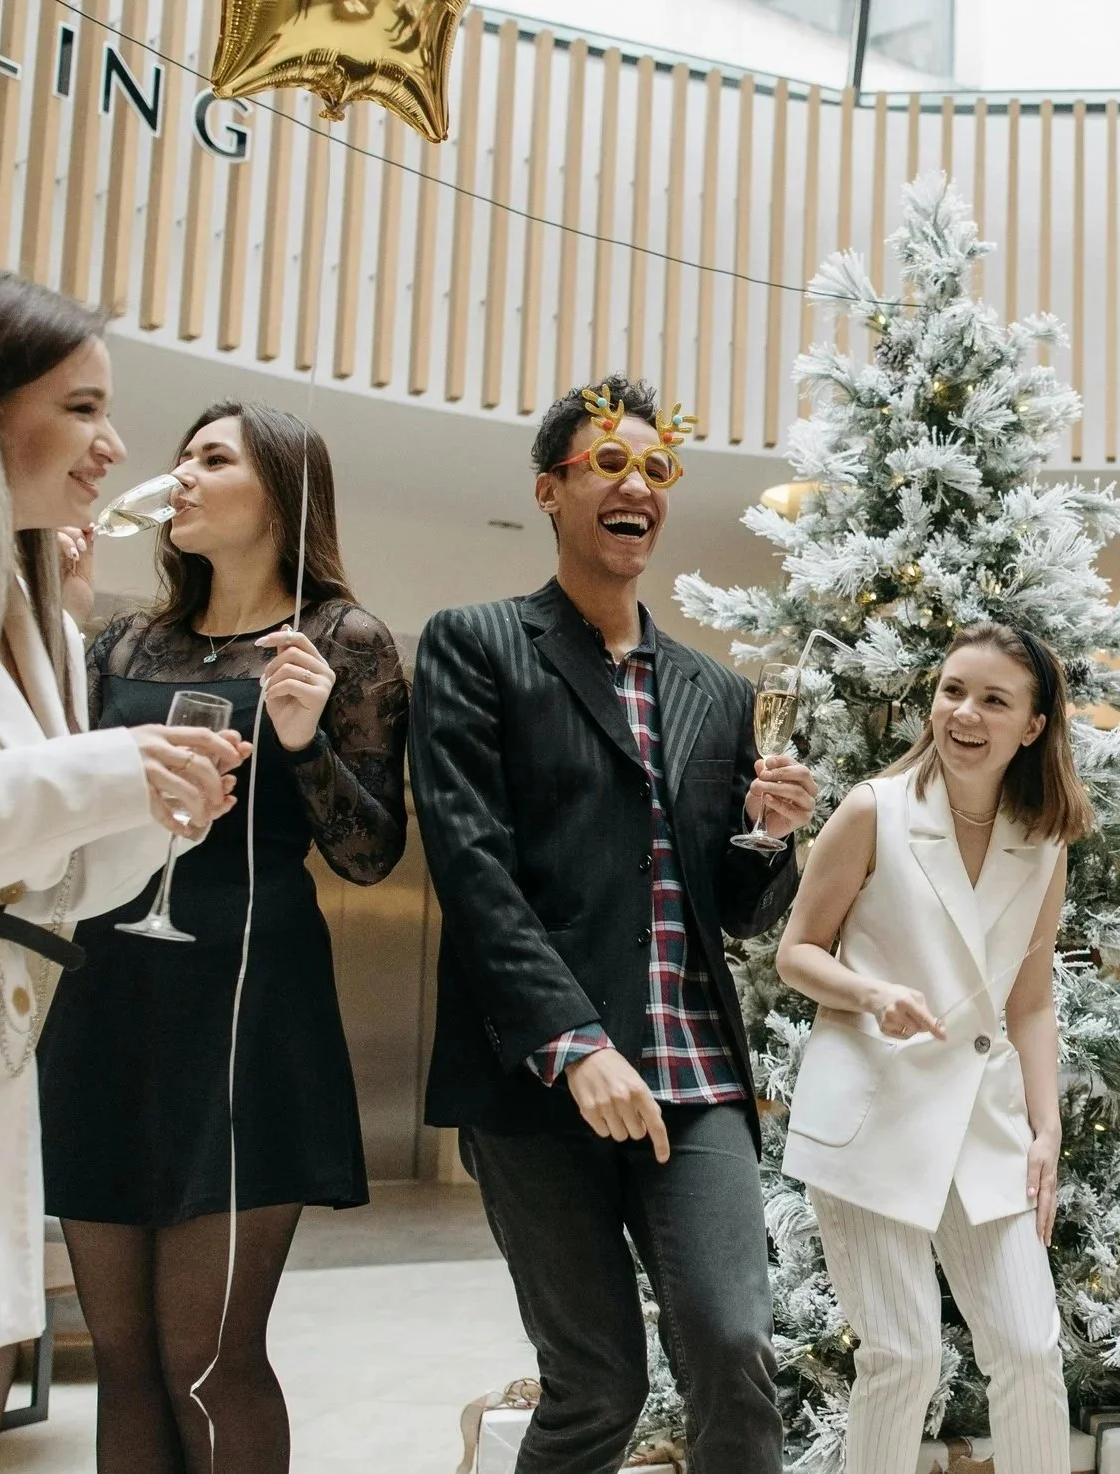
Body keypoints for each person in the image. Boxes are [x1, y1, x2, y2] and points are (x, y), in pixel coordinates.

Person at [0, 266, 245, 1474]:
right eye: (80, 407)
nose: (113, 446)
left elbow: (55, 887)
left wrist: (154, 814)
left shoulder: (32, 625)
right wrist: (102, 773)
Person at [413, 376, 818, 1474]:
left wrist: (768, 839)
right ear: (550, 489)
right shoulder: (476, 645)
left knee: (733, 1347)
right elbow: (472, 863)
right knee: (596, 1383)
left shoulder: (715, 694)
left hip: (694, 1075)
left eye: (656, 468)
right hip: (541, 1079)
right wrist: (572, 1038)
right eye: (607, 462)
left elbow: (727, 909)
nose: (635, 483)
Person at [36, 400, 408, 1474]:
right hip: (106, 990)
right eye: (181, 457)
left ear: (283, 492)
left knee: (207, 1356)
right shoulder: (123, 639)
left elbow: (371, 857)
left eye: (212, 458)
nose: (181, 477)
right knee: (124, 1356)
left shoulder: (343, 640)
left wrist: (301, 741)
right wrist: (59, 623)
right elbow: (54, 797)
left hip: (249, 1001)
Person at [778, 623, 1091, 1474]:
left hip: (986, 1127)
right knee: (902, 1357)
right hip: (872, 1110)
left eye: (994, 699)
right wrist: (871, 992)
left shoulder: (1044, 841)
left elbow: (1029, 1001)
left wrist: (1045, 1128)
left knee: (1030, 1350)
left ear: (1031, 726)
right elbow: (796, 950)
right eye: (954, 690)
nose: (965, 713)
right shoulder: (872, 810)